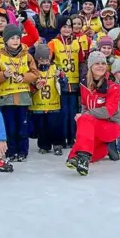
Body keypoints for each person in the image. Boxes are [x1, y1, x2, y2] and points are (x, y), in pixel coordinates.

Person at [65, 51, 120, 176]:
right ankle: (102, 150)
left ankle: (83, 158)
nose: (101, 66)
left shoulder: (112, 84)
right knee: (77, 157)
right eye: (97, 63)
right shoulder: (84, 83)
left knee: (84, 119)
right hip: (92, 127)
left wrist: (86, 115)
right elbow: (84, 105)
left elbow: (109, 111)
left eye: (103, 63)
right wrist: (83, 118)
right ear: (90, 66)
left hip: (110, 126)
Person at [0, 24, 39, 161]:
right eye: (12, 38)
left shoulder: (27, 55)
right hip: (6, 97)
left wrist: (24, 77)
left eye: (18, 38)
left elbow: (35, 73)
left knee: (23, 126)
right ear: (6, 40)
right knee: (9, 126)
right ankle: (11, 152)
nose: (16, 41)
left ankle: (23, 151)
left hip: (23, 97)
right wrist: (4, 74)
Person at [48, 16, 88, 147]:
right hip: (61, 84)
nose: (67, 29)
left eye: (69, 27)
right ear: (59, 28)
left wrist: (83, 79)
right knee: (62, 113)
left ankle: (72, 138)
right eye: (64, 27)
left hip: (74, 84)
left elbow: (81, 62)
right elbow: (48, 61)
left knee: (73, 112)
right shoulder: (54, 43)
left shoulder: (77, 42)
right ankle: (61, 139)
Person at [30, 44, 65, 155]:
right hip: (39, 105)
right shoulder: (34, 71)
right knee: (42, 127)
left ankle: (58, 144)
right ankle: (44, 145)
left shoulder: (55, 68)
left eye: (46, 59)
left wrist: (61, 77)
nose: (44, 62)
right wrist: (35, 86)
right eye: (41, 60)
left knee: (55, 126)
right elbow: (29, 87)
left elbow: (64, 84)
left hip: (54, 104)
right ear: (37, 59)